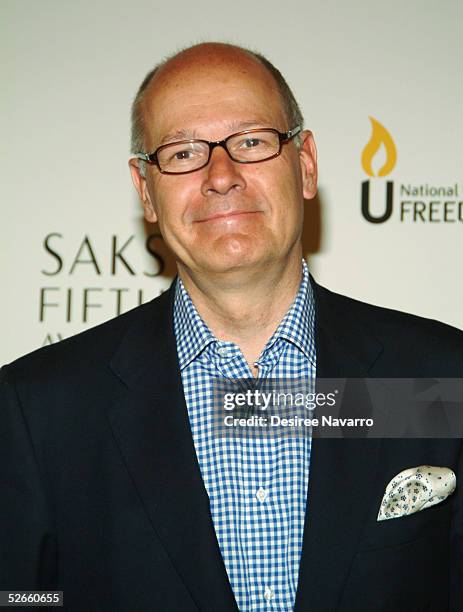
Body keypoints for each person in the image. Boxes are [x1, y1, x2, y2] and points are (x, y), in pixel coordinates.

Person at [1, 42, 462, 612]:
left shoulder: (441, 377)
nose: (221, 176)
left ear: (307, 163)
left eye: (250, 142)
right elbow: (21, 597)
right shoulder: (39, 408)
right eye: (184, 152)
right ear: (146, 190)